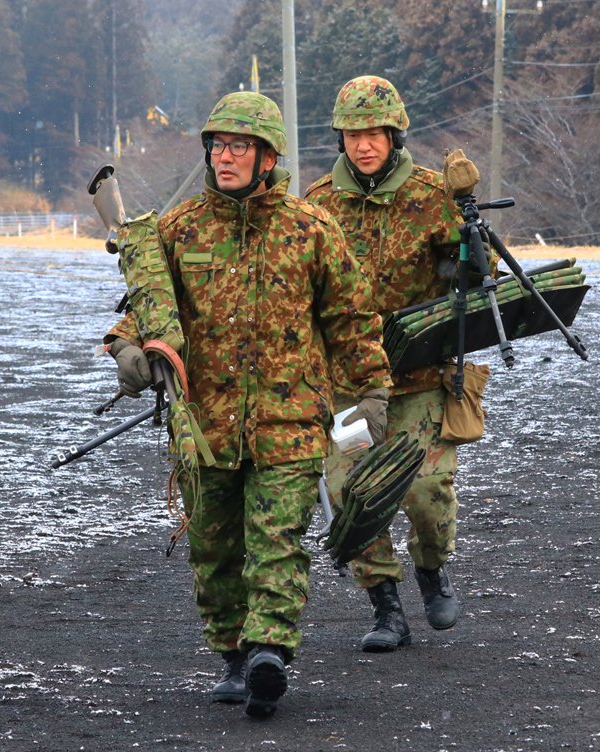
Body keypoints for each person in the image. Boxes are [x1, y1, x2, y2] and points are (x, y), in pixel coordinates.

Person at [103, 91, 392, 718]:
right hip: (203, 424)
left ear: (267, 157)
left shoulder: (310, 229)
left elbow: (351, 320)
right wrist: (127, 353)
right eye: (218, 145)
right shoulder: (179, 231)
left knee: (278, 538)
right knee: (213, 547)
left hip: (289, 424)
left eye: (240, 147)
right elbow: (143, 311)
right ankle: (232, 651)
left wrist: (371, 392)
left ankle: (269, 651)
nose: (225, 156)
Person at [305, 75, 471, 652]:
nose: (364, 144)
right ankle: (385, 606)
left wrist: (467, 245)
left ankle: (431, 567)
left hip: (419, 377)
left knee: (427, 491)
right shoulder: (318, 203)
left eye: (375, 132)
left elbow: (478, 279)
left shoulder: (431, 196)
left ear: (395, 134)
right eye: (353, 134)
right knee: (351, 492)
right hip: (347, 381)